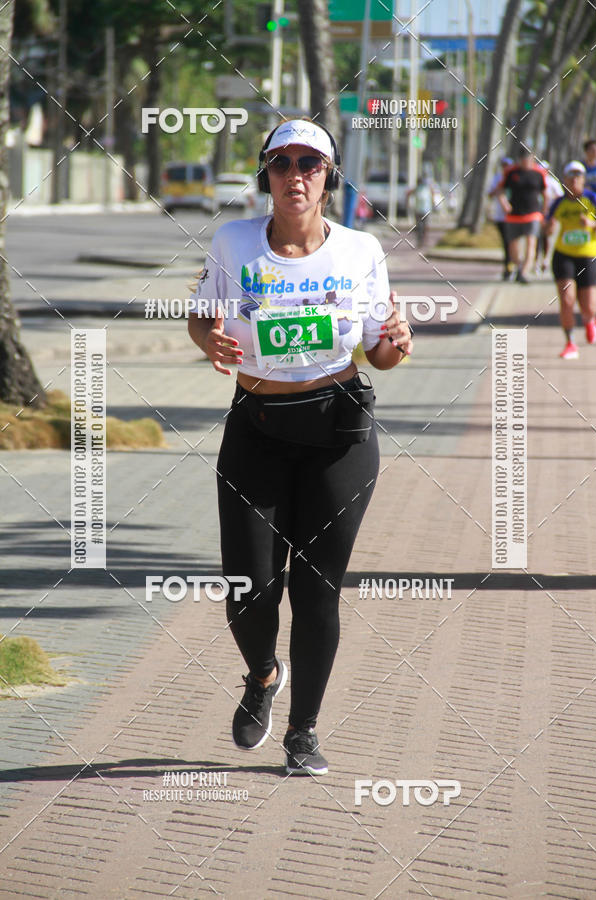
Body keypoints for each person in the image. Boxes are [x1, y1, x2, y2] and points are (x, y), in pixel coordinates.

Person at [187, 119, 413, 776]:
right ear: (267, 174)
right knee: (248, 590)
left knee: (317, 592)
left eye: (309, 164)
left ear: (328, 176)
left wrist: (395, 342)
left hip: (337, 434)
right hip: (256, 426)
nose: (295, 175)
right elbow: (201, 311)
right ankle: (262, 673)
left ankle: (303, 732)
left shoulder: (360, 251)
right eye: (281, 163)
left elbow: (383, 350)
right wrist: (209, 341)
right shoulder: (234, 242)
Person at [544, 160, 596, 359]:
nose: (575, 180)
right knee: (567, 301)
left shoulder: (593, 199)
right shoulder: (559, 203)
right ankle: (570, 343)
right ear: (564, 180)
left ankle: (590, 320)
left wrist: (592, 224)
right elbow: (548, 226)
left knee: (588, 306)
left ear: (584, 179)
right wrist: (549, 227)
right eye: (571, 176)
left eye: (578, 176)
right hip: (564, 255)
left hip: (588, 255)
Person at [495, 147, 547, 283]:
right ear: (519, 159)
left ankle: (523, 273)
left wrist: (544, 213)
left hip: (533, 214)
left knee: (531, 243)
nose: (526, 161)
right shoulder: (511, 172)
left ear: (533, 158)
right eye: (523, 158)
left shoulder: (539, 173)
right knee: (513, 247)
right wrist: (504, 204)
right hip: (514, 215)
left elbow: (545, 194)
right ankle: (518, 267)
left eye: (529, 158)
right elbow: (500, 191)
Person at [487, 156, 513, 280]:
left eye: (507, 165)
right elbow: (490, 194)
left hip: (515, 216)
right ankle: (508, 267)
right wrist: (498, 189)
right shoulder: (497, 178)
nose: (505, 168)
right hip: (500, 216)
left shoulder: (515, 177)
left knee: (512, 243)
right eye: (503, 165)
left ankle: (512, 266)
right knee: (506, 243)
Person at [536, 160, 563, 275]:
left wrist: (553, 214)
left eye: (544, 169)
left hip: (549, 214)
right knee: (536, 238)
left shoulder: (552, 182)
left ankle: (546, 261)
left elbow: (560, 196)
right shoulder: (535, 181)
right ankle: (536, 262)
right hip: (536, 213)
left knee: (546, 238)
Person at [407, 176, 434, 247]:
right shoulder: (417, 189)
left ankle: (424, 239)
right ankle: (420, 240)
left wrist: (433, 203)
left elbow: (432, 195)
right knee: (419, 226)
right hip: (418, 210)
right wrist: (407, 203)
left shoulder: (427, 188)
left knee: (424, 225)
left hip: (426, 210)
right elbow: (408, 194)